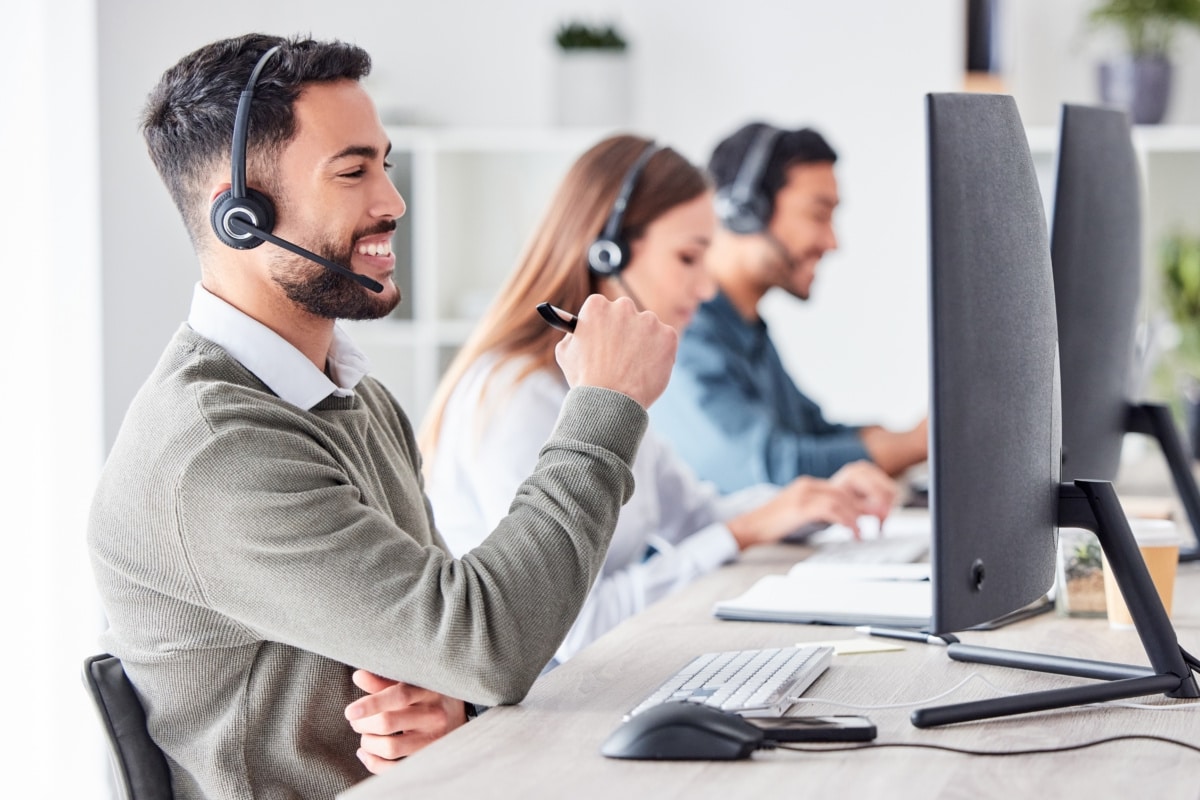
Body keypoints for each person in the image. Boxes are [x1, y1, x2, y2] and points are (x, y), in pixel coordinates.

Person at [87, 34, 678, 798]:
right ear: (238, 214)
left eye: (386, 164)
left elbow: (448, 646)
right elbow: (486, 639)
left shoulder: (351, 397)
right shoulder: (217, 449)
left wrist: (449, 706)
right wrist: (605, 405)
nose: (393, 203)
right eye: (353, 171)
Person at [416, 134, 897, 671]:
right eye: (688, 257)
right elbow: (578, 629)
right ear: (607, 251)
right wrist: (742, 531)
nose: (707, 289)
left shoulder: (612, 382)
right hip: (539, 703)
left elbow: (694, 516)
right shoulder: (517, 396)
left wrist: (810, 502)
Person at [650, 121, 928, 492]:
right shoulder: (685, 333)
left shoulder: (746, 330)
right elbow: (771, 469)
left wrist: (901, 436)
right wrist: (916, 444)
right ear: (746, 209)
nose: (832, 242)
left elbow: (811, 431)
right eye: (818, 214)